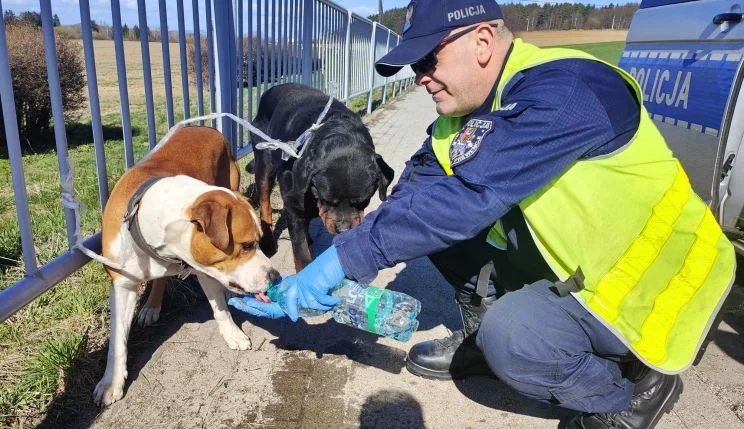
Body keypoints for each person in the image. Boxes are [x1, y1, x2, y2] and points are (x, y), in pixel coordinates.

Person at [230, 1, 736, 428]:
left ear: (482, 41)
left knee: (513, 338)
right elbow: (414, 200)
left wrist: (343, 261)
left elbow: (468, 196)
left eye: (430, 58)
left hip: (659, 283)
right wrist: (337, 260)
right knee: (426, 226)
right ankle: (485, 338)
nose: (421, 77)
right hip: (586, 268)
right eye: (413, 67)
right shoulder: (462, 116)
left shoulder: (569, 89)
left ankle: (626, 394)